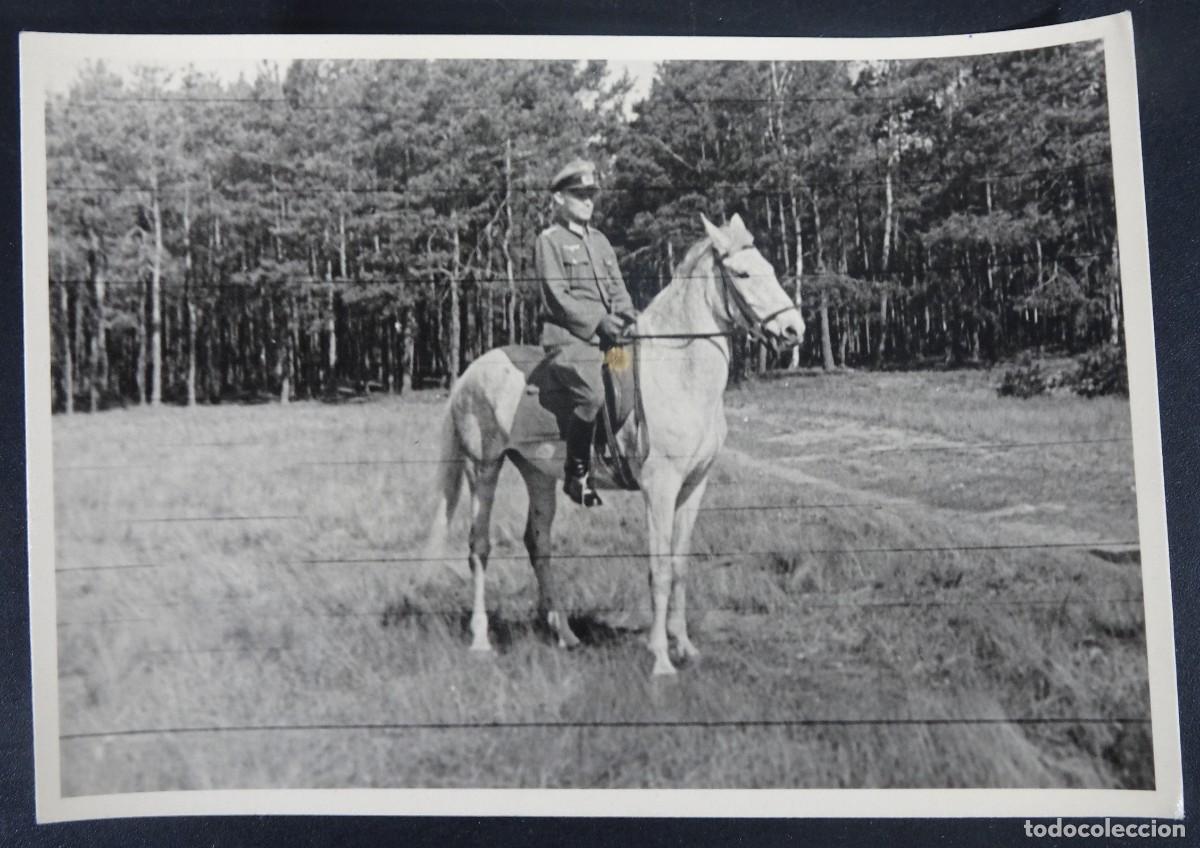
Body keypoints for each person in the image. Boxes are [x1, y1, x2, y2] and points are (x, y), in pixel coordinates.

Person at [535, 158, 637, 507]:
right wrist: (598, 321)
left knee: (628, 382)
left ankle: (617, 457)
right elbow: (556, 297)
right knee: (592, 394)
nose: (588, 201)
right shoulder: (550, 241)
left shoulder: (601, 242)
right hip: (568, 340)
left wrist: (626, 317)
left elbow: (618, 287)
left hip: (608, 339)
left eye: (591, 194)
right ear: (559, 200)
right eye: (579, 195)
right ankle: (577, 476)